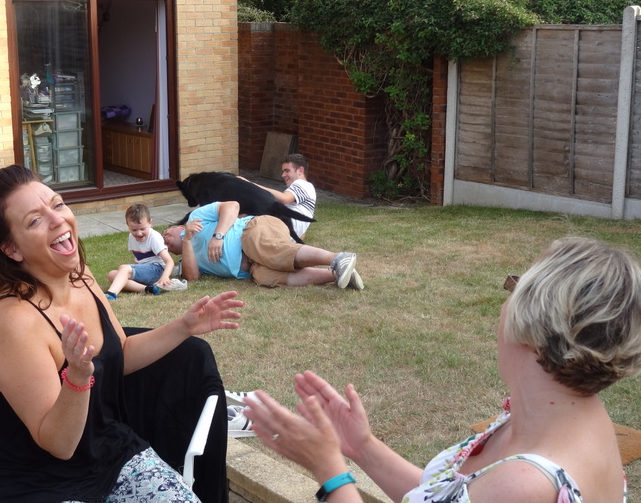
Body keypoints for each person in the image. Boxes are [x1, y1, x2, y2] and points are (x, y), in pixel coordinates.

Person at [242, 237, 641, 503]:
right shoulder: (558, 417)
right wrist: (362, 446)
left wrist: (329, 472)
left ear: (534, 323)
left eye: (515, 287)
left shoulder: (527, 484)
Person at [0, 165, 244, 503]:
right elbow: (58, 443)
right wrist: (77, 378)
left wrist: (184, 326)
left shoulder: (81, 277)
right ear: (12, 249)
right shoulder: (13, 320)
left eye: (58, 205)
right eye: (35, 220)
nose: (58, 220)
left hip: (110, 454)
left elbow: (121, 352)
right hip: (33, 483)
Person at [162, 200, 363, 289]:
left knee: (269, 250)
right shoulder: (187, 258)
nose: (165, 239)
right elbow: (193, 278)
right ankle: (337, 274)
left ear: (179, 226)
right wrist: (187, 240)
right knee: (265, 277)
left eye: (166, 233)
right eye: (166, 246)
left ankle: (338, 258)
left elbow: (232, 206)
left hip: (252, 230)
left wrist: (218, 236)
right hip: (253, 266)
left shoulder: (196, 217)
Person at [105, 203, 185, 300]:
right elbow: (139, 260)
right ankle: (149, 289)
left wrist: (165, 277)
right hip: (145, 271)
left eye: (142, 229)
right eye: (134, 230)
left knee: (124, 268)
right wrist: (134, 270)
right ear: (128, 226)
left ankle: (111, 294)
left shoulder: (154, 237)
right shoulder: (131, 237)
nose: (139, 233)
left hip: (157, 270)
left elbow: (169, 261)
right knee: (112, 275)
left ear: (150, 223)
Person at [240, 154, 316, 240]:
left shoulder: (303, 184)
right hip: (283, 234)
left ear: (300, 170)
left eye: (287, 171)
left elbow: (284, 199)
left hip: (278, 228)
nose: (283, 175)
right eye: (283, 171)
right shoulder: (306, 191)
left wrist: (249, 184)